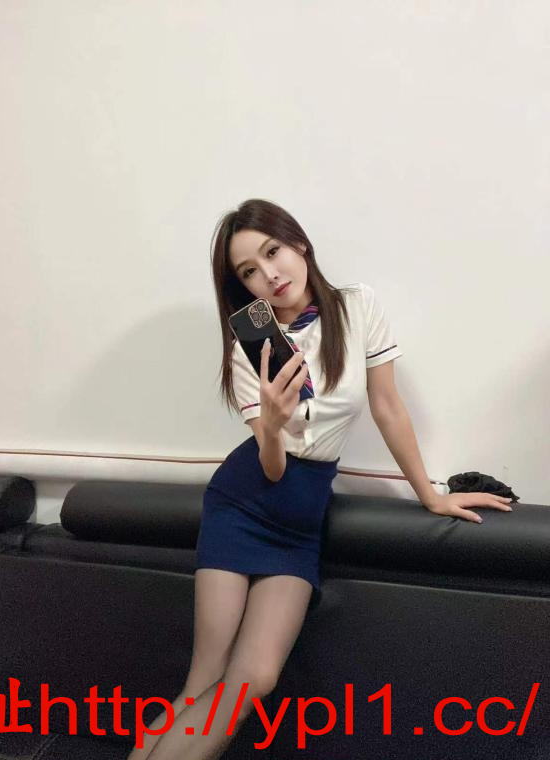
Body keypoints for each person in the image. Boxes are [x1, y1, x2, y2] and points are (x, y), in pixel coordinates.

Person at [127, 198, 513, 760]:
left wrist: (430, 495)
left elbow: (387, 406)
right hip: (244, 504)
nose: (269, 274)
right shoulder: (250, 347)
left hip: (299, 522)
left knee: (255, 677)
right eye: (249, 271)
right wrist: (272, 426)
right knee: (205, 677)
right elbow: (273, 467)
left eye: (273, 252)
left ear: (299, 243)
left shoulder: (358, 307)